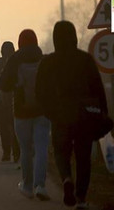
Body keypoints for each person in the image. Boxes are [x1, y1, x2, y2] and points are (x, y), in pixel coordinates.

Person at [35, 21, 108, 209]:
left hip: (60, 116)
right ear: (74, 36)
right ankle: (81, 198)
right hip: (84, 116)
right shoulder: (85, 59)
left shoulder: (48, 62)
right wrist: (103, 114)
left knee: (61, 151)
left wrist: (49, 112)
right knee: (83, 156)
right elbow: (98, 89)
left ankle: (67, 178)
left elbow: (40, 92)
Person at [0, 30, 50, 200]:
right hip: (42, 110)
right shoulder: (43, 58)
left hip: (21, 111)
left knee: (26, 149)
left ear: (20, 42)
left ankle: (27, 186)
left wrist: (15, 85)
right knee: (41, 147)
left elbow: (3, 85)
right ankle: (41, 185)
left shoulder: (15, 59)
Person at [0, 42, 20, 163]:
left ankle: (6, 153)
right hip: (15, 100)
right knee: (15, 128)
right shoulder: (18, 63)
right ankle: (16, 152)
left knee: (3, 128)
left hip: (1, 101)